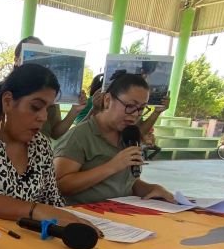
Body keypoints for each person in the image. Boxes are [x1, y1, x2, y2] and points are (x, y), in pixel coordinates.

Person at [0, 64, 99, 233]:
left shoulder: (40, 144)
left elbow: (52, 200)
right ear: (8, 101)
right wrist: (37, 211)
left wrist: (70, 219)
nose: (43, 117)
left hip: (26, 240)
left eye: (48, 109)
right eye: (36, 107)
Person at [54, 73, 175, 204]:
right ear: (107, 100)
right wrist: (112, 166)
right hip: (82, 214)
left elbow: (127, 183)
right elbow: (59, 185)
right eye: (130, 106)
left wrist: (152, 189)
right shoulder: (79, 136)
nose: (135, 114)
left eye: (141, 109)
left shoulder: (129, 135)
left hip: (121, 211)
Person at [13, 36, 86, 140]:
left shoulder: (49, 92)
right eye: (32, 54)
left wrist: (74, 111)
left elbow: (55, 133)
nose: (43, 117)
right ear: (16, 60)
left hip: (41, 148)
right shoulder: (5, 91)